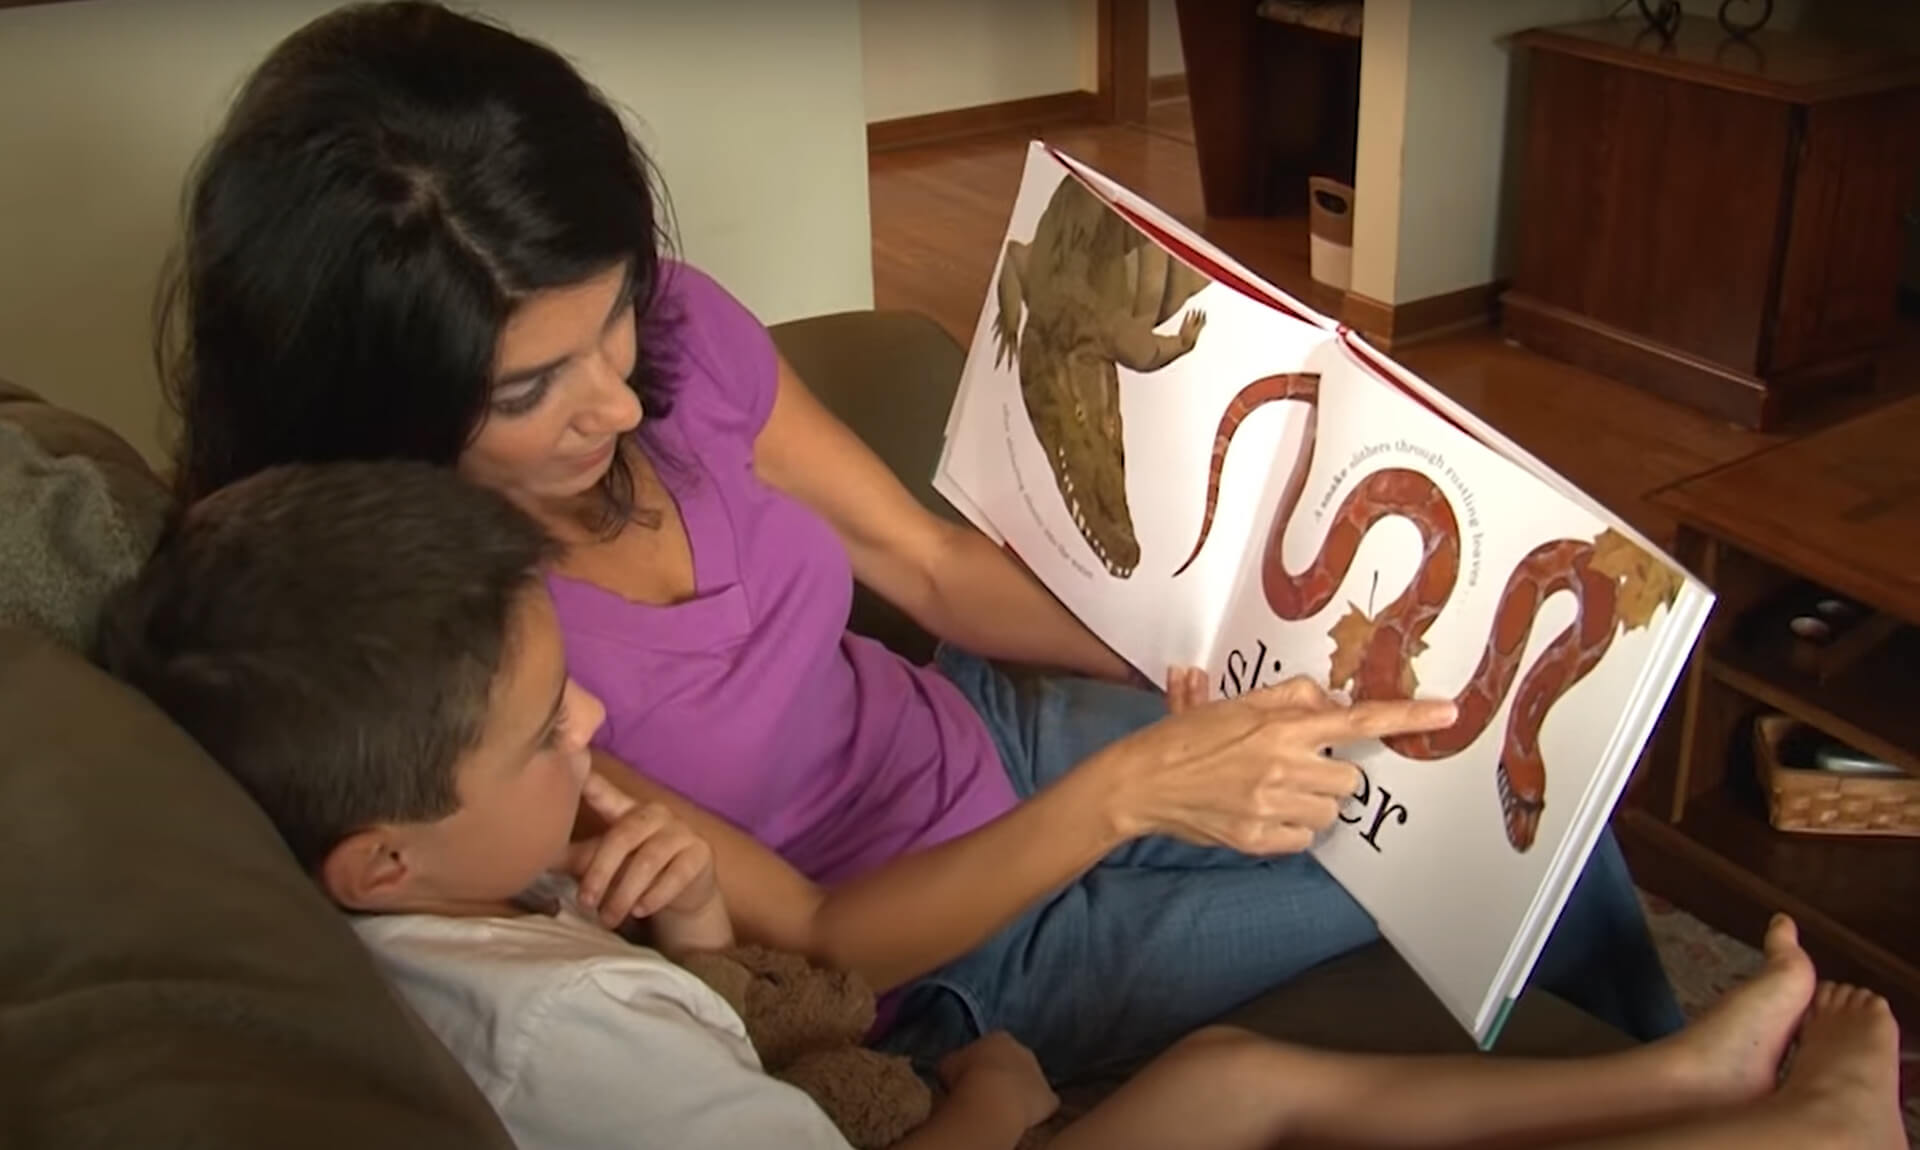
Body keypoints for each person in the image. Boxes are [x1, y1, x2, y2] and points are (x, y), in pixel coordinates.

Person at [157, 0, 1683, 1078]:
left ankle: (1679, 1061)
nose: (620, 394)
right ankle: (1703, 1099)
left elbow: (931, 567)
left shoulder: (676, 344)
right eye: (532, 387)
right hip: (953, 959)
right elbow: (827, 940)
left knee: (1490, 775)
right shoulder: (457, 658)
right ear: (377, 406)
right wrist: (1137, 792)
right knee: (1512, 860)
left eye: (616, 307)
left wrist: (1204, 658)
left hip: (977, 722)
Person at [98, 459, 1909, 1150]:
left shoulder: (485, 908)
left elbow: (744, 1007)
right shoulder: (563, 1052)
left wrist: (707, 933)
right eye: (538, 726)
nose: (591, 709)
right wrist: (994, 1086)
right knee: (1238, 1088)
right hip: (935, 1071)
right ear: (380, 855)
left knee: (1242, 1079)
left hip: (851, 983)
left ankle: (1674, 1074)